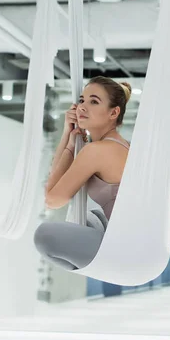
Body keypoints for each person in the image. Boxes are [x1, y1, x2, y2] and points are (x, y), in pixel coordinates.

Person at [33, 76, 132, 271]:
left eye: (94, 101)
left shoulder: (97, 150)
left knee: (44, 235)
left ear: (114, 112)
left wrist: (69, 142)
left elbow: (52, 200)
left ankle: (97, 268)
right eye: (81, 100)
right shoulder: (123, 146)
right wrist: (68, 137)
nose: (82, 107)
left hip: (121, 246)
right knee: (86, 220)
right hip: (128, 239)